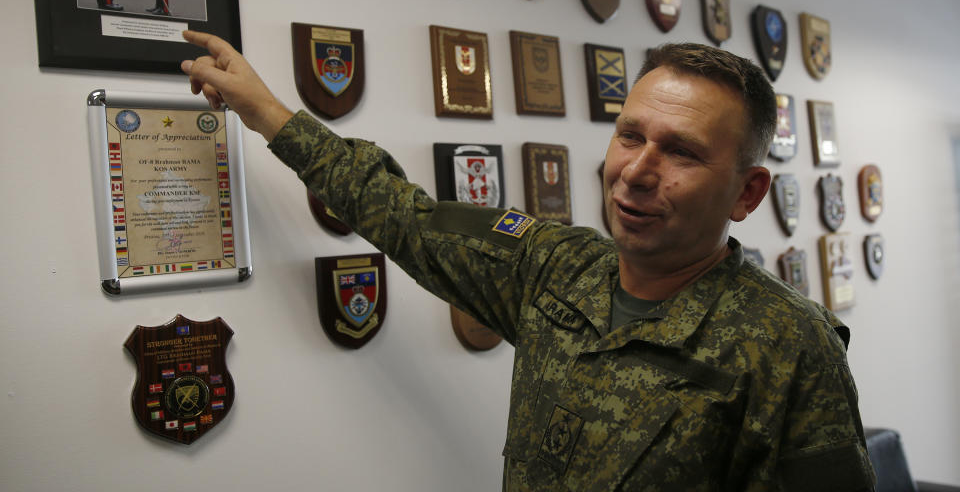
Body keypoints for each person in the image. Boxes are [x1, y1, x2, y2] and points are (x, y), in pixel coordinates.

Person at [181, 31, 876, 491]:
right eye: (630, 135)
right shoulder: (553, 268)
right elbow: (406, 216)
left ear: (748, 193)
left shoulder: (787, 345)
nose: (636, 171)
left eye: (683, 152)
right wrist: (267, 110)